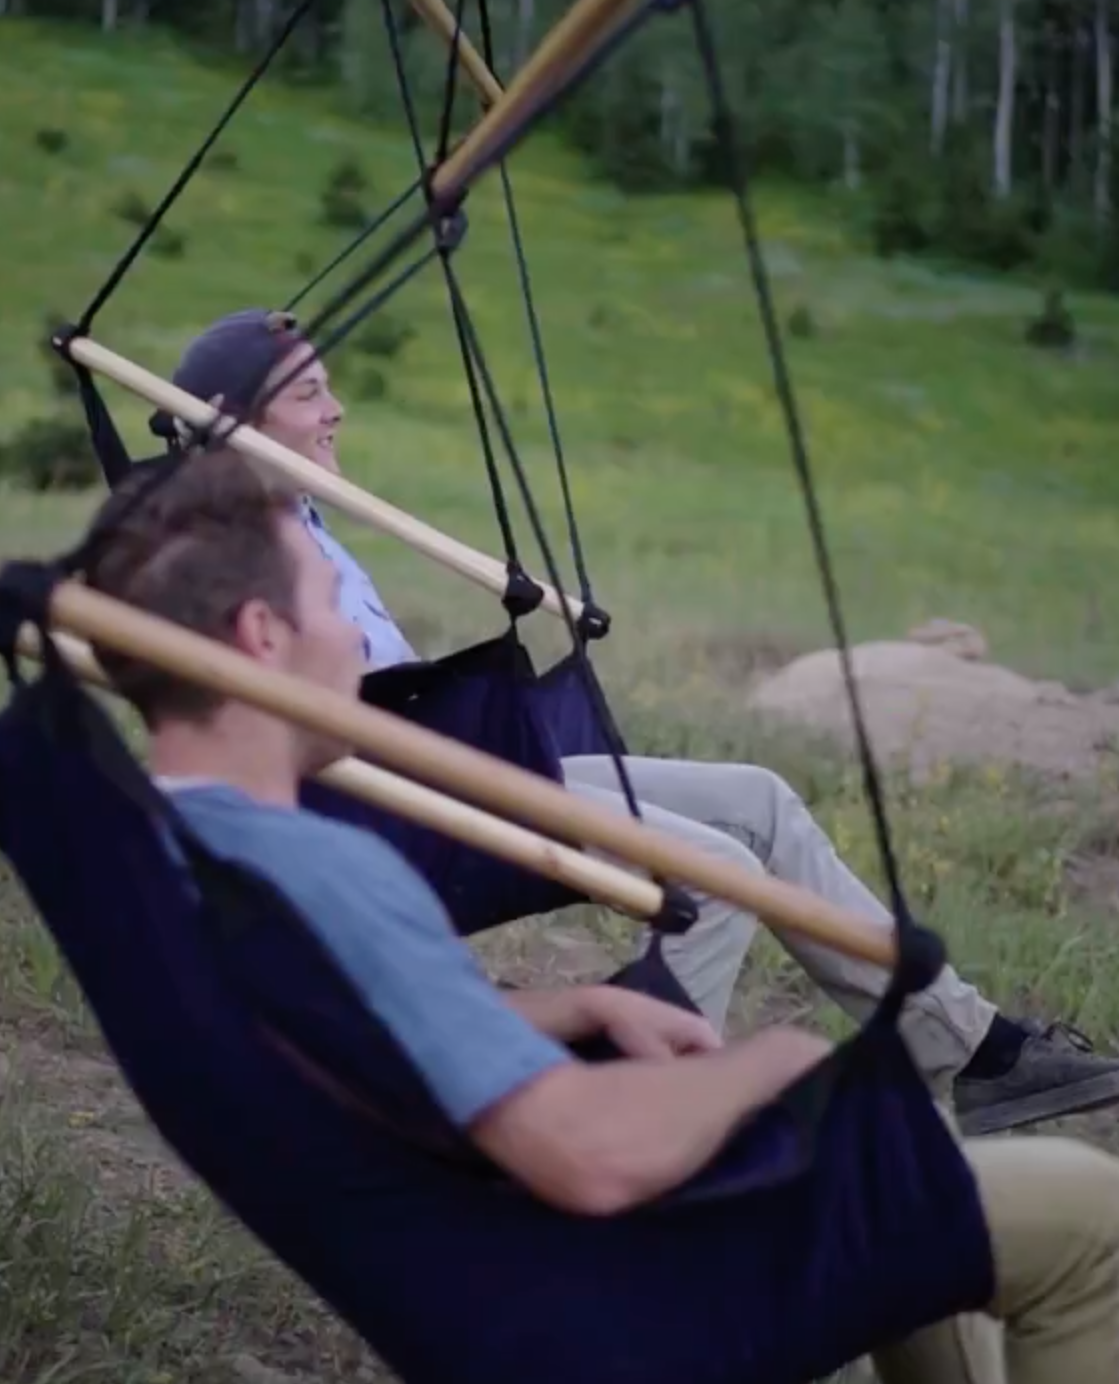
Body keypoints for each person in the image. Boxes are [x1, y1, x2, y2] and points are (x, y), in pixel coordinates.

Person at [76, 445, 1119, 1382]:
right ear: (260, 635)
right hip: (585, 1301)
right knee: (1081, 1213)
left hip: (478, 1264)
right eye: (333, 606)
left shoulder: (168, 854)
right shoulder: (315, 868)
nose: (360, 640)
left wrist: (575, 1003)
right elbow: (588, 1155)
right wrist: (773, 1062)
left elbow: (347, 1036)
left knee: (904, 1161)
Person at [154, 306, 1119, 1139]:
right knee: (720, 875)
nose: (337, 409)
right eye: (310, 393)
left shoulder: (304, 519)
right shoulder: (231, 552)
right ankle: (618, 1111)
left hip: (452, 768)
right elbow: (273, 738)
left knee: (761, 801)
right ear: (235, 423)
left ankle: (973, 1052)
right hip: (408, 803)